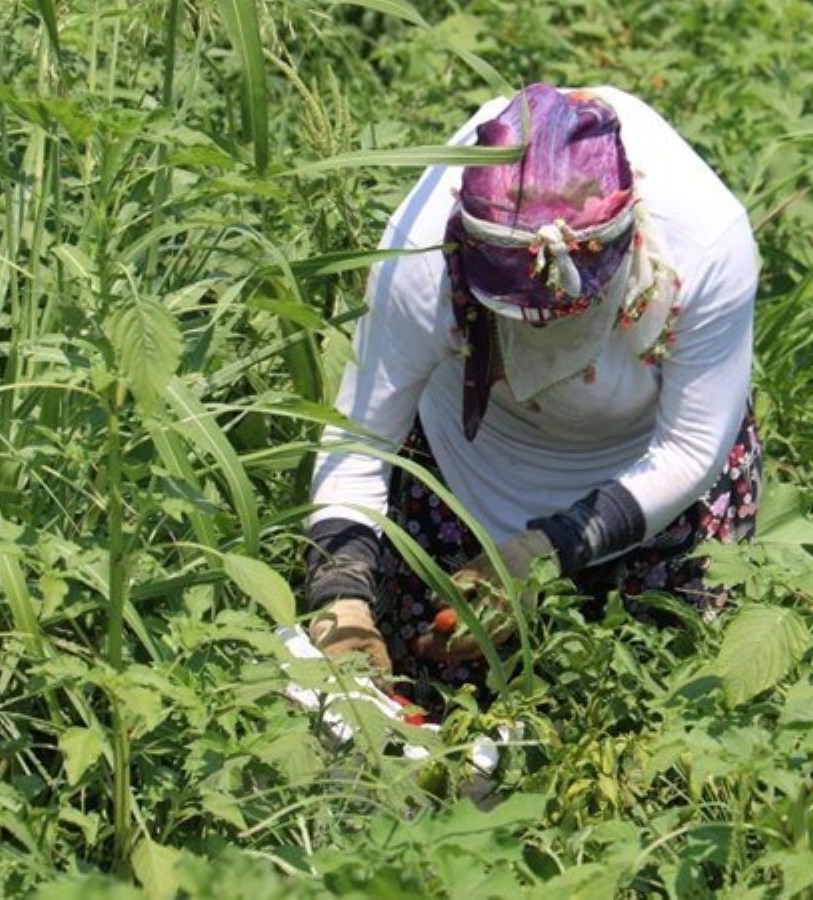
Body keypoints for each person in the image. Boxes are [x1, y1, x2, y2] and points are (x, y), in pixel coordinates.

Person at [303, 83, 763, 716]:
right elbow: (357, 442)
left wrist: (540, 554)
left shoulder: (703, 244)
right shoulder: (421, 254)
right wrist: (341, 604)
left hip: (653, 485)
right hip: (466, 469)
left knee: (651, 719)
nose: (536, 341)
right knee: (431, 714)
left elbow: (688, 450)